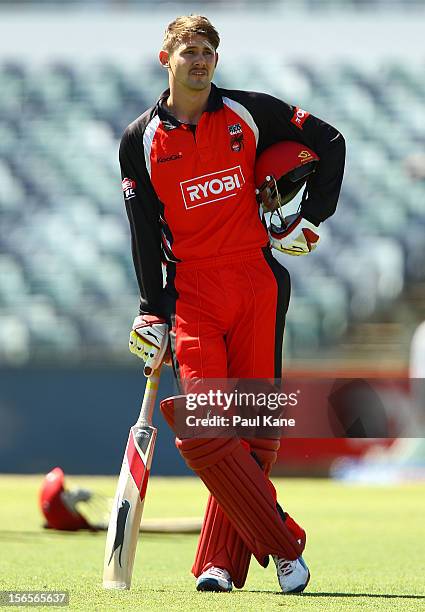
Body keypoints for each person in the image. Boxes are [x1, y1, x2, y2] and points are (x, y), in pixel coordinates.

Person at [120, 15, 345, 593]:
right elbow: (143, 230)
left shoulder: (251, 112)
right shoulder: (139, 139)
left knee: (254, 436)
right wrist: (151, 307)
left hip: (256, 283)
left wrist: (309, 218)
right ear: (164, 57)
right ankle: (284, 540)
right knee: (202, 430)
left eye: (208, 52)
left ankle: (219, 565)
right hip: (191, 291)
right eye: (189, 51)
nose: (200, 60)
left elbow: (329, 142)